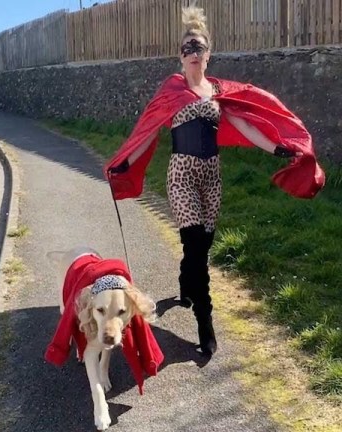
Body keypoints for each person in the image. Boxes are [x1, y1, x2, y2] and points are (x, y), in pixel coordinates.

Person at [104, 5, 325, 357]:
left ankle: (185, 284)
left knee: (201, 249)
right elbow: (148, 131)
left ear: (208, 55)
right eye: (187, 48)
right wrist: (124, 162)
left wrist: (277, 149)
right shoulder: (172, 90)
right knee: (195, 245)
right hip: (182, 175)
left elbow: (245, 125)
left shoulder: (219, 92)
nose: (193, 54)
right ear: (181, 57)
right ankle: (205, 322)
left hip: (211, 177)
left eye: (199, 48)